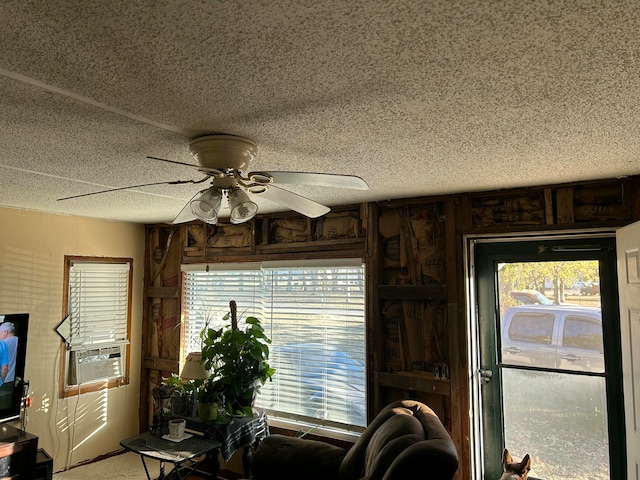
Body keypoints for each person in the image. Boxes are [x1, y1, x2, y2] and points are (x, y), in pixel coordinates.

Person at [0, 322, 16, 406]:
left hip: (4, 380)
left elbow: (4, 367)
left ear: (5, 332)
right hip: (14, 380)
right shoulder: (19, 341)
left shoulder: (3, 344)